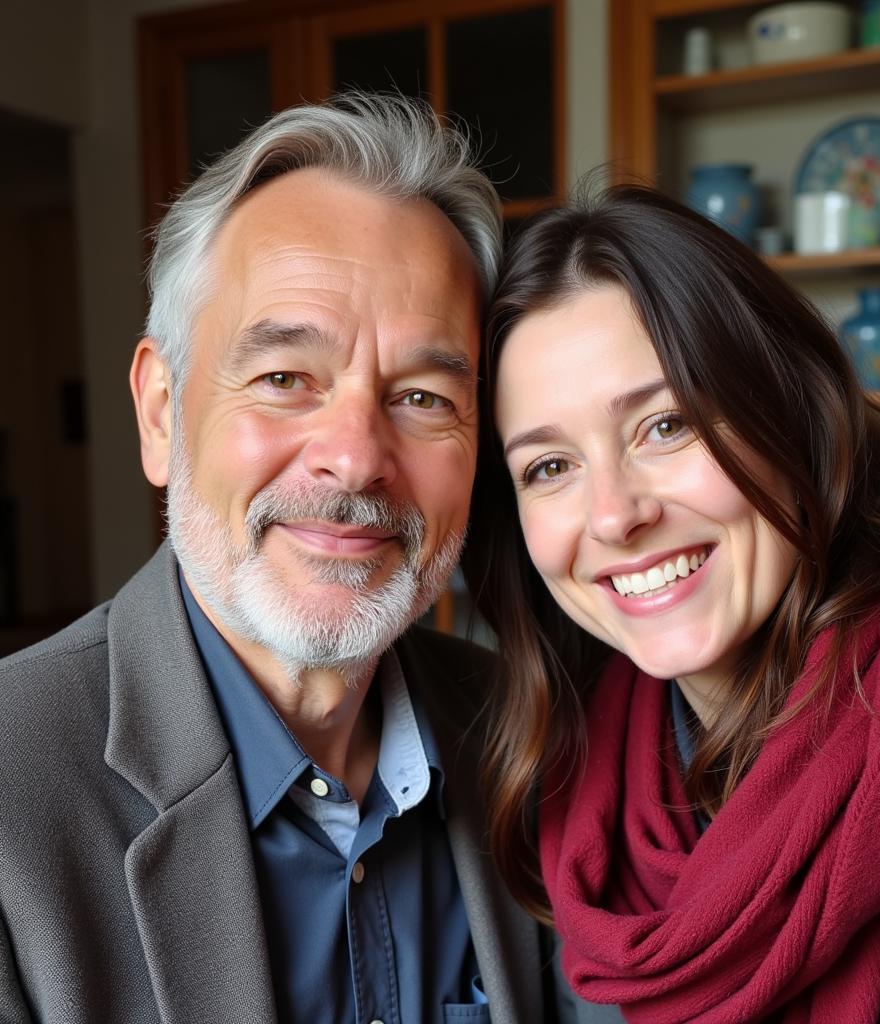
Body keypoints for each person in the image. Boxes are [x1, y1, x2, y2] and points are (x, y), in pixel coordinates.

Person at [0, 93, 554, 1024]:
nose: (356, 455)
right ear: (161, 411)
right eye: (284, 378)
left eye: (422, 397)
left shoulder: (530, 737)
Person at [464, 184, 880, 1024]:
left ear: (786, 408)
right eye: (549, 468)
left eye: (666, 425)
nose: (615, 515)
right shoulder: (571, 814)